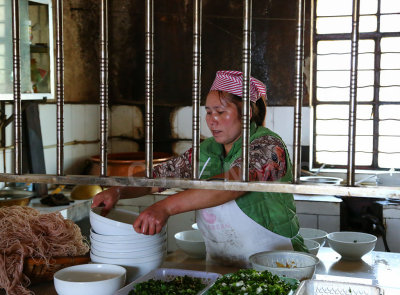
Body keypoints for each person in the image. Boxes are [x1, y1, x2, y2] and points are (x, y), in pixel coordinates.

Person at [92, 70, 307, 267]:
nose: (212, 121)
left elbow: (234, 184)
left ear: (247, 112)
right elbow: (159, 175)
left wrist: (165, 207)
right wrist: (119, 190)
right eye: (208, 112)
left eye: (221, 112)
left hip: (278, 266)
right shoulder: (207, 150)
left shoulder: (268, 145)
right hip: (221, 265)